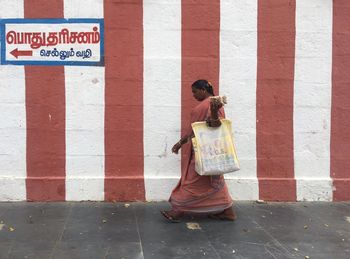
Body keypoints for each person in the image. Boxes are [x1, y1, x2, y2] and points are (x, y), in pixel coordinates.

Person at [161, 79, 236, 222]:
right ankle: (228, 212)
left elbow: (215, 125)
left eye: (195, 92)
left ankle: (178, 211)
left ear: (203, 90)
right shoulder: (207, 104)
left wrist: (214, 111)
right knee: (216, 182)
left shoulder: (213, 103)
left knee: (190, 183)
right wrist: (180, 143)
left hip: (206, 152)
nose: (193, 95)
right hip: (208, 152)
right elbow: (196, 129)